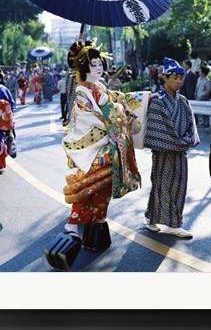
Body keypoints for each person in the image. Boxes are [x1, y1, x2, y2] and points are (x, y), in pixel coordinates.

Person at [45, 44, 151, 270]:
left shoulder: (99, 87)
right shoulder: (83, 91)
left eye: (100, 63)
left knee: (103, 187)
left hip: (108, 145)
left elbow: (119, 101)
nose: (99, 66)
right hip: (95, 146)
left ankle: (97, 230)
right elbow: (89, 118)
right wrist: (116, 112)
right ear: (84, 67)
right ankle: (72, 226)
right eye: (93, 64)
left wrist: (129, 104)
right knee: (89, 185)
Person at [143, 57, 199, 238]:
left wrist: (186, 141)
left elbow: (192, 125)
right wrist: (180, 142)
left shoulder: (183, 101)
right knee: (161, 185)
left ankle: (154, 218)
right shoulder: (157, 100)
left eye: (180, 78)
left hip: (180, 152)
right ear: (164, 78)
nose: (179, 81)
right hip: (163, 152)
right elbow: (161, 128)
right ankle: (170, 223)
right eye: (174, 77)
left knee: (179, 185)